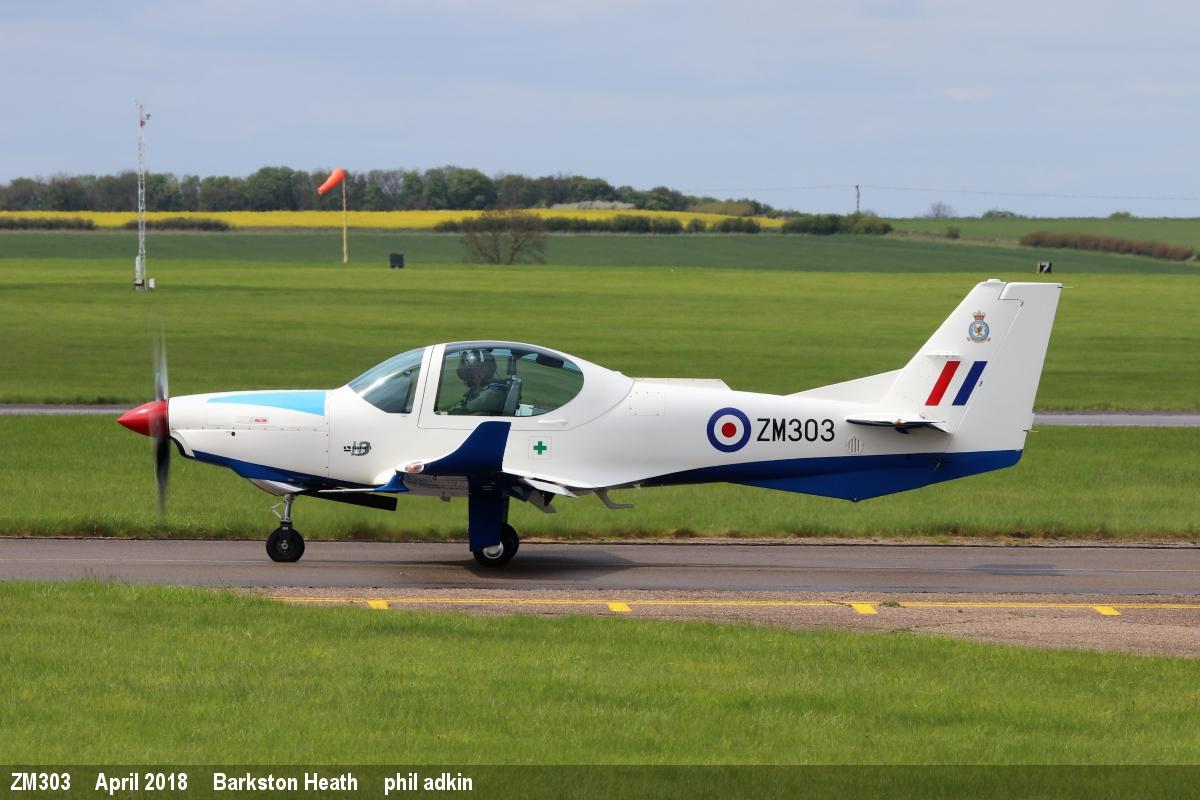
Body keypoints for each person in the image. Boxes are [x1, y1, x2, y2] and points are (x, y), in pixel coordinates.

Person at [446, 349, 508, 415]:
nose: (466, 380)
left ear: (482, 371)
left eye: (470, 374)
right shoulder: (479, 391)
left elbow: (465, 412)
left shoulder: (492, 394)